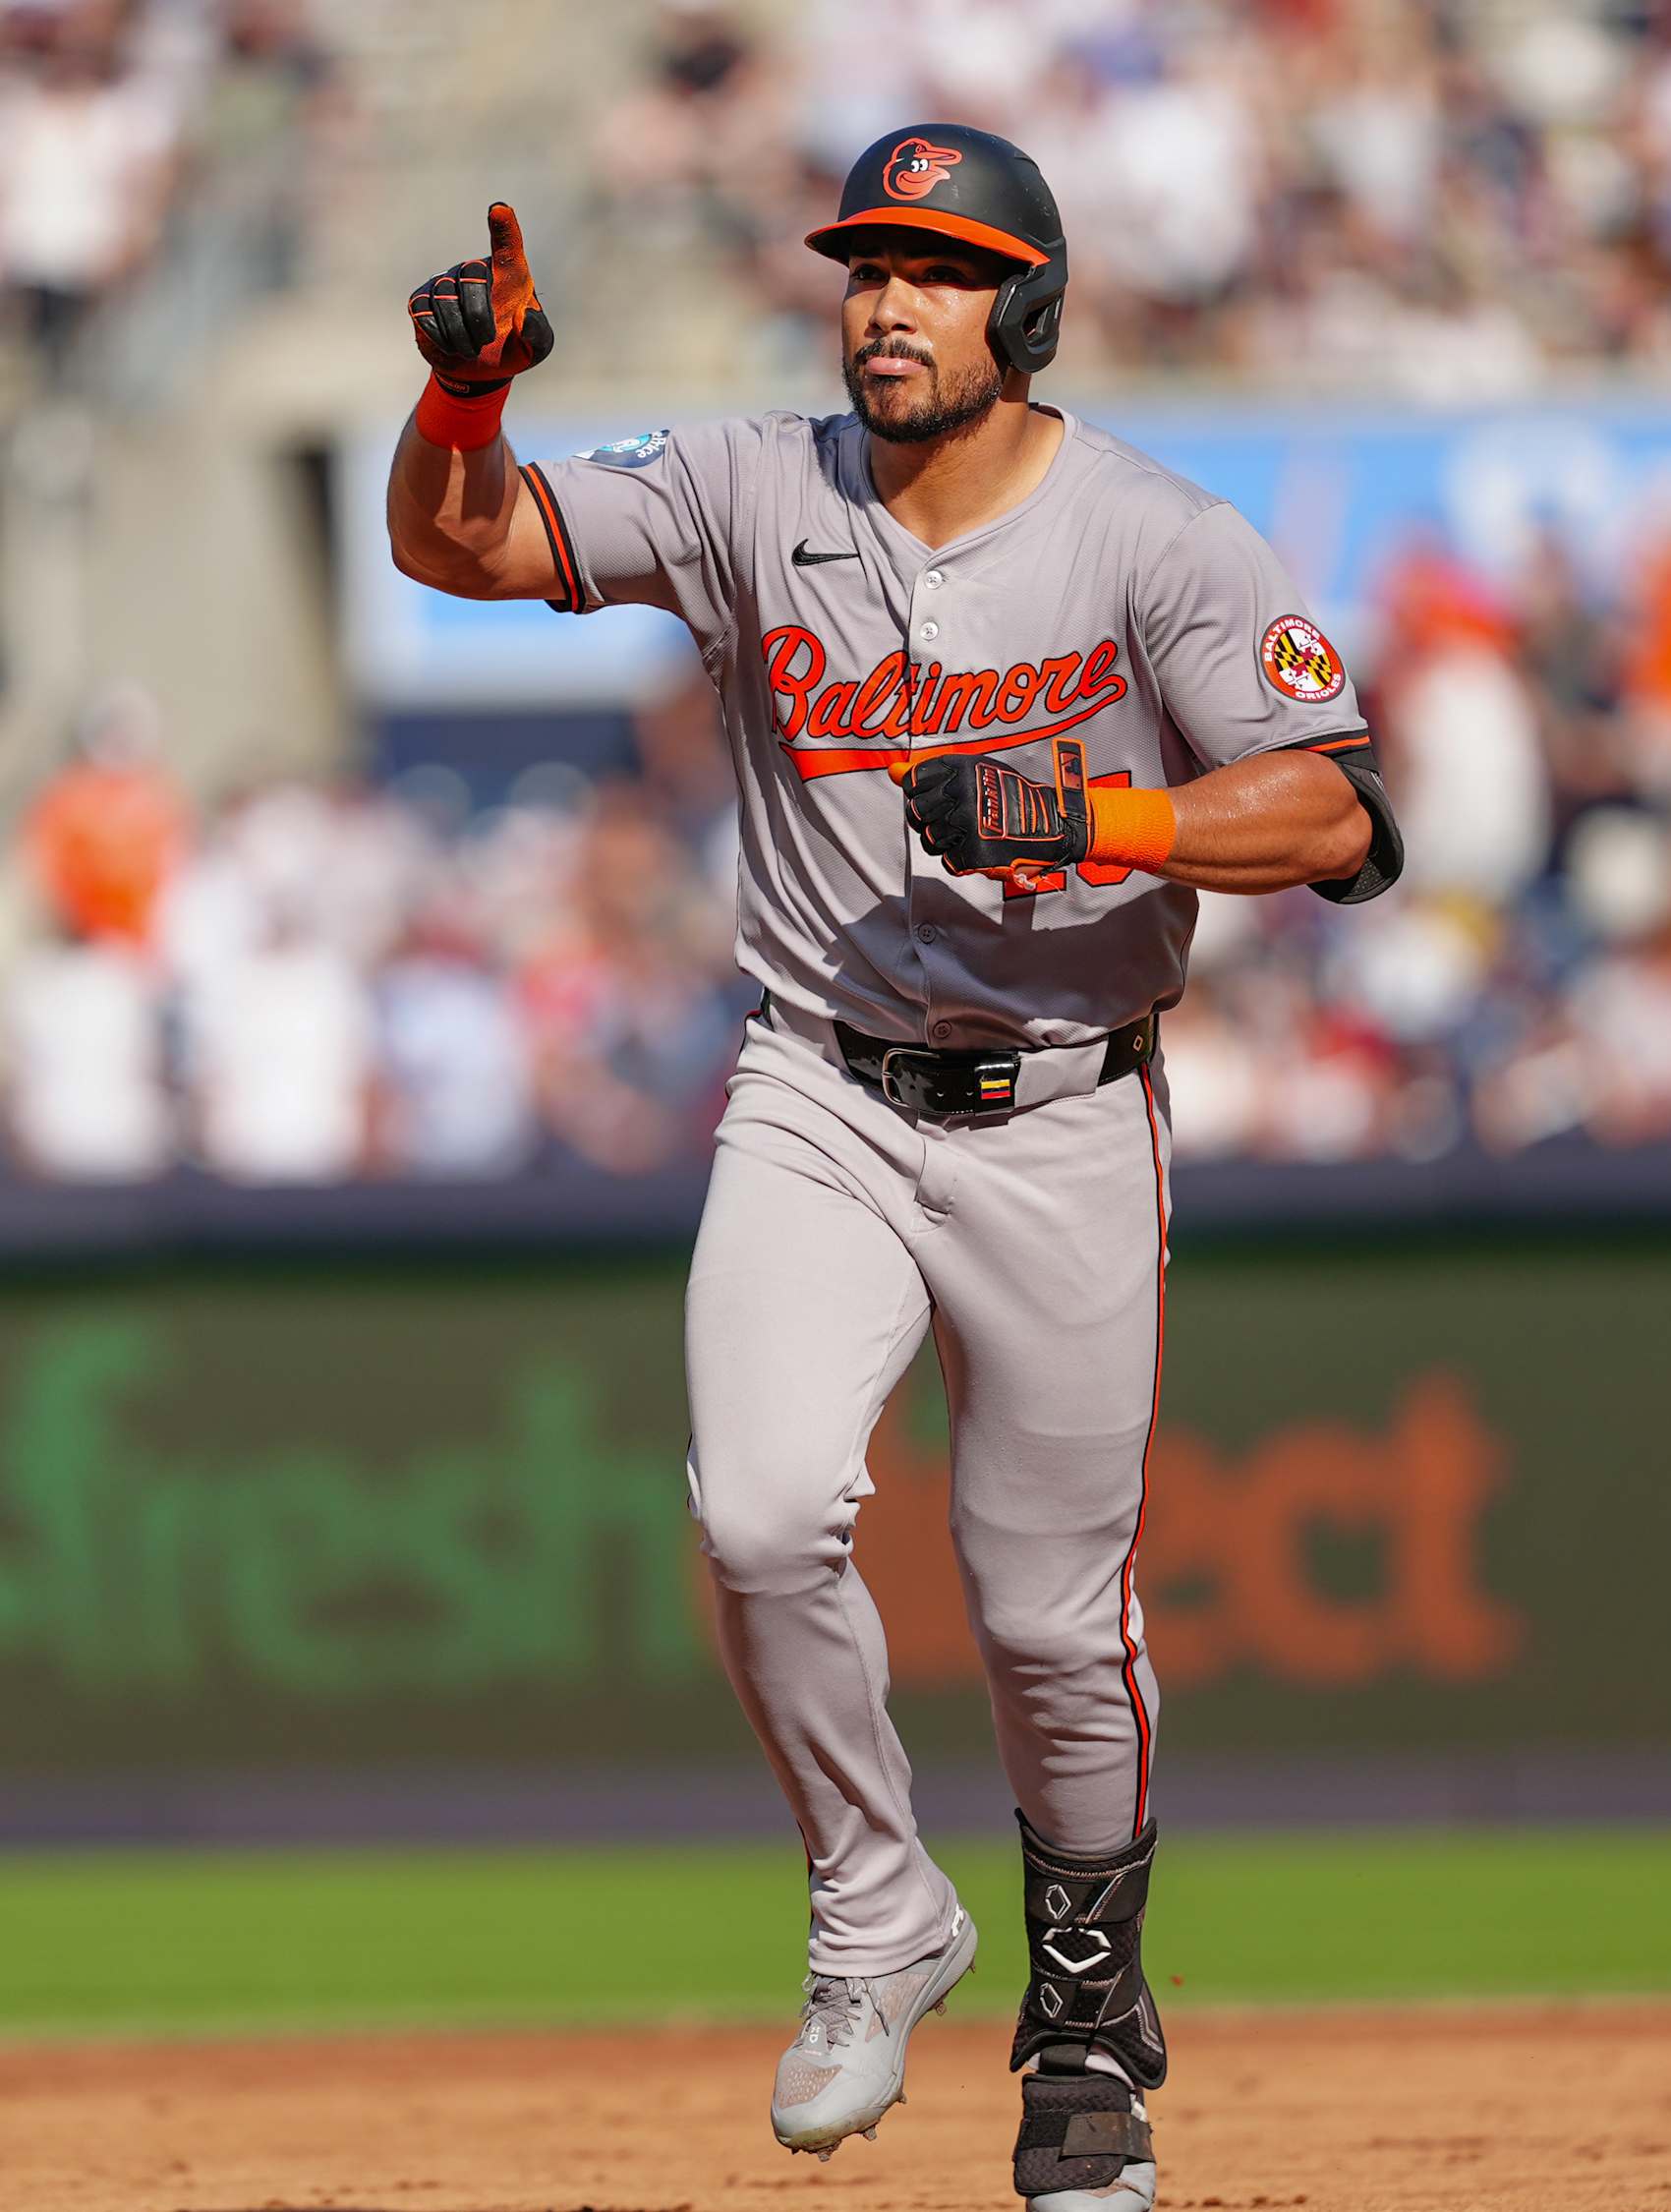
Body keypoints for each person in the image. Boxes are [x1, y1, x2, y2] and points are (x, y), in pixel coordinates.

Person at [386, 126, 1402, 2212]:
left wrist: (1096, 817)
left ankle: (1089, 2024)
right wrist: (467, 395)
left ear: (1024, 310)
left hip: (1063, 1102)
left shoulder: (1152, 534)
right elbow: (463, 552)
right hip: (820, 1082)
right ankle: (876, 1909)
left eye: (934, 272)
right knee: (758, 1514)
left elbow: (1336, 822)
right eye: (864, 263)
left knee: (1047, 1618)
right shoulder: (759, 486)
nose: (882, 301)